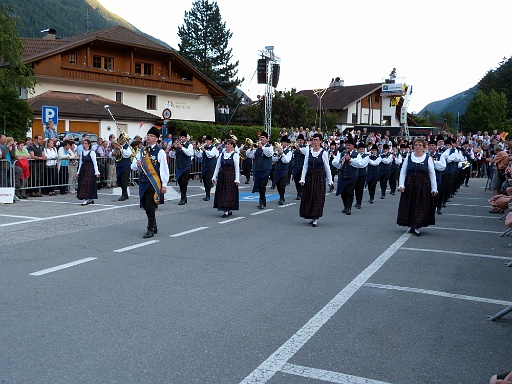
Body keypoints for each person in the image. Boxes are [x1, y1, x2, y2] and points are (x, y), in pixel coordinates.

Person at [131, 126, 169, 238]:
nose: (148, 137)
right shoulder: (142, 151)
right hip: (143, 182)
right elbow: (133, 166)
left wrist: (164, 184)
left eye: (151, 136)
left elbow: (164, 169)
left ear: (156, 139)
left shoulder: (160, 152)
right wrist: (137, 165)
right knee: (145, 206)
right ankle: (154, 225)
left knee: (150, 205)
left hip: (153, 183)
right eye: (148, 135)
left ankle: (150, 229)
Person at [397, 138, 438, 236]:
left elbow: (432, 174)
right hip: (410, 184)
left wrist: (434, 188)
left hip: (423, 185)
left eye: (420, 145)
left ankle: (417, 226)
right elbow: (403, 172)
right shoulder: (409, 157)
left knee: (420, 206)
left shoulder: (428, 158)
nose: (418, 147)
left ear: (424, 147)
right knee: (410, 204)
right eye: (416, 145)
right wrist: (401, 185)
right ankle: (411, 224)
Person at [299, 133, 333, 227]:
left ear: (321, 141)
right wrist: (302, 179)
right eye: (314, 140)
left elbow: (327, 168)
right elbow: (305, 166)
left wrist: (330, 181)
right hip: (310, 177)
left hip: (319, 178)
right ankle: (311, 215)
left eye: (317, 140)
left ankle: (315, 218)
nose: (315, 142)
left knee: (317, 197)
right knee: (309, 196)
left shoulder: (324, 153)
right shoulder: (308, 152)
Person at [212, 138, 239, 217]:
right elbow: (217, 166)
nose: (227, 146)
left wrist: (237, 179)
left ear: (232, 146)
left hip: (230, 176)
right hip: (222, 175)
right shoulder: (222, 154)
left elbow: (237, 168)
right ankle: (225, 209)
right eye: (226, 144)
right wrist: (214, 177)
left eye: (229, 144)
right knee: (222, 193)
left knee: (229, 193)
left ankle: (227, 209)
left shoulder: (235, 155)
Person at [247, 131, 273, 209]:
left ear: (267, 139)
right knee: (259, 186)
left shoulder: (269, 147)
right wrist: (251, 148)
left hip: (266, 169)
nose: (261, 139)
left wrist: (262, 147)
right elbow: (250, 156)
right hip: (257, 169)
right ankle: (263, 200)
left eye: (263, 138)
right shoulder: (257, 148)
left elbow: (269, 154)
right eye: (260, 138)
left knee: (262, 186)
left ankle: (261, 202)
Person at [169, 130, 194, 205]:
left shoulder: (189, 145)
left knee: (184, 183)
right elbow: (172, 156)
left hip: (186, 166)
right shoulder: (178, 145)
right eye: (181, 137)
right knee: (180, 182)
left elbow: (189, 153)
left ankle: (183, 198)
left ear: (186, 138)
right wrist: (173, 149)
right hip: (179, 167)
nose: (181, 138)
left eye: (183, 137)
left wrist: (181, 147)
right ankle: (184, 197)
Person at [76, 138, 100, 205]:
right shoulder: (82, 152)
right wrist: (78, 172)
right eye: (83, 143)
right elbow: (80, 163)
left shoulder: (92, 152)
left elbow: (95, 163)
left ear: (89, 144)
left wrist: (96, 172)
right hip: (83, 169)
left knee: (88, 184)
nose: (84, 144)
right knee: (83, 183)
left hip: (90, 170)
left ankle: (88, 198)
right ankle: (87, 198)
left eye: (86, 143)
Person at [113, 132, 132, 201]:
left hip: (125, 165)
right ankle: (125, 194)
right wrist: (113, 153)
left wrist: (120, 149)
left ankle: (124, 194)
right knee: (119, 181)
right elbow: (113, 155)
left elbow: (127, 154)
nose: (120, 140)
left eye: (122, 139)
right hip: (119, 165)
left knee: (124, 180)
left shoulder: (128, 146)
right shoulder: (117, 146)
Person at [199, 135, 219, 201]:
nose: (206, 142)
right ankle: (206, 193)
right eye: (206, 140)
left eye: (208, 140)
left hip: (210, 166)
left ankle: (208, 195)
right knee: (204, 181)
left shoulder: (213, 148)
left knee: (208, 180)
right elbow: (199, 155)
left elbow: (211, 155)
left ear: (211, 141)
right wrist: (199, 150)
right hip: (204, 166)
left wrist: (204, 150)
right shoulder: (204, 147)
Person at [291, 133, 307, 200]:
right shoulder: (295, 147)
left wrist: (299, 148)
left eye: (301, 140)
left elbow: (305, 152)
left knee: (301, 181)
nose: (299, 141)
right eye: (298, 140)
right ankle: (298, 192)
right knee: (296, 181)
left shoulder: (305, 147)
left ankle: (301, 193)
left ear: (303, 141)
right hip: (295, 167)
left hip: (302, 167)